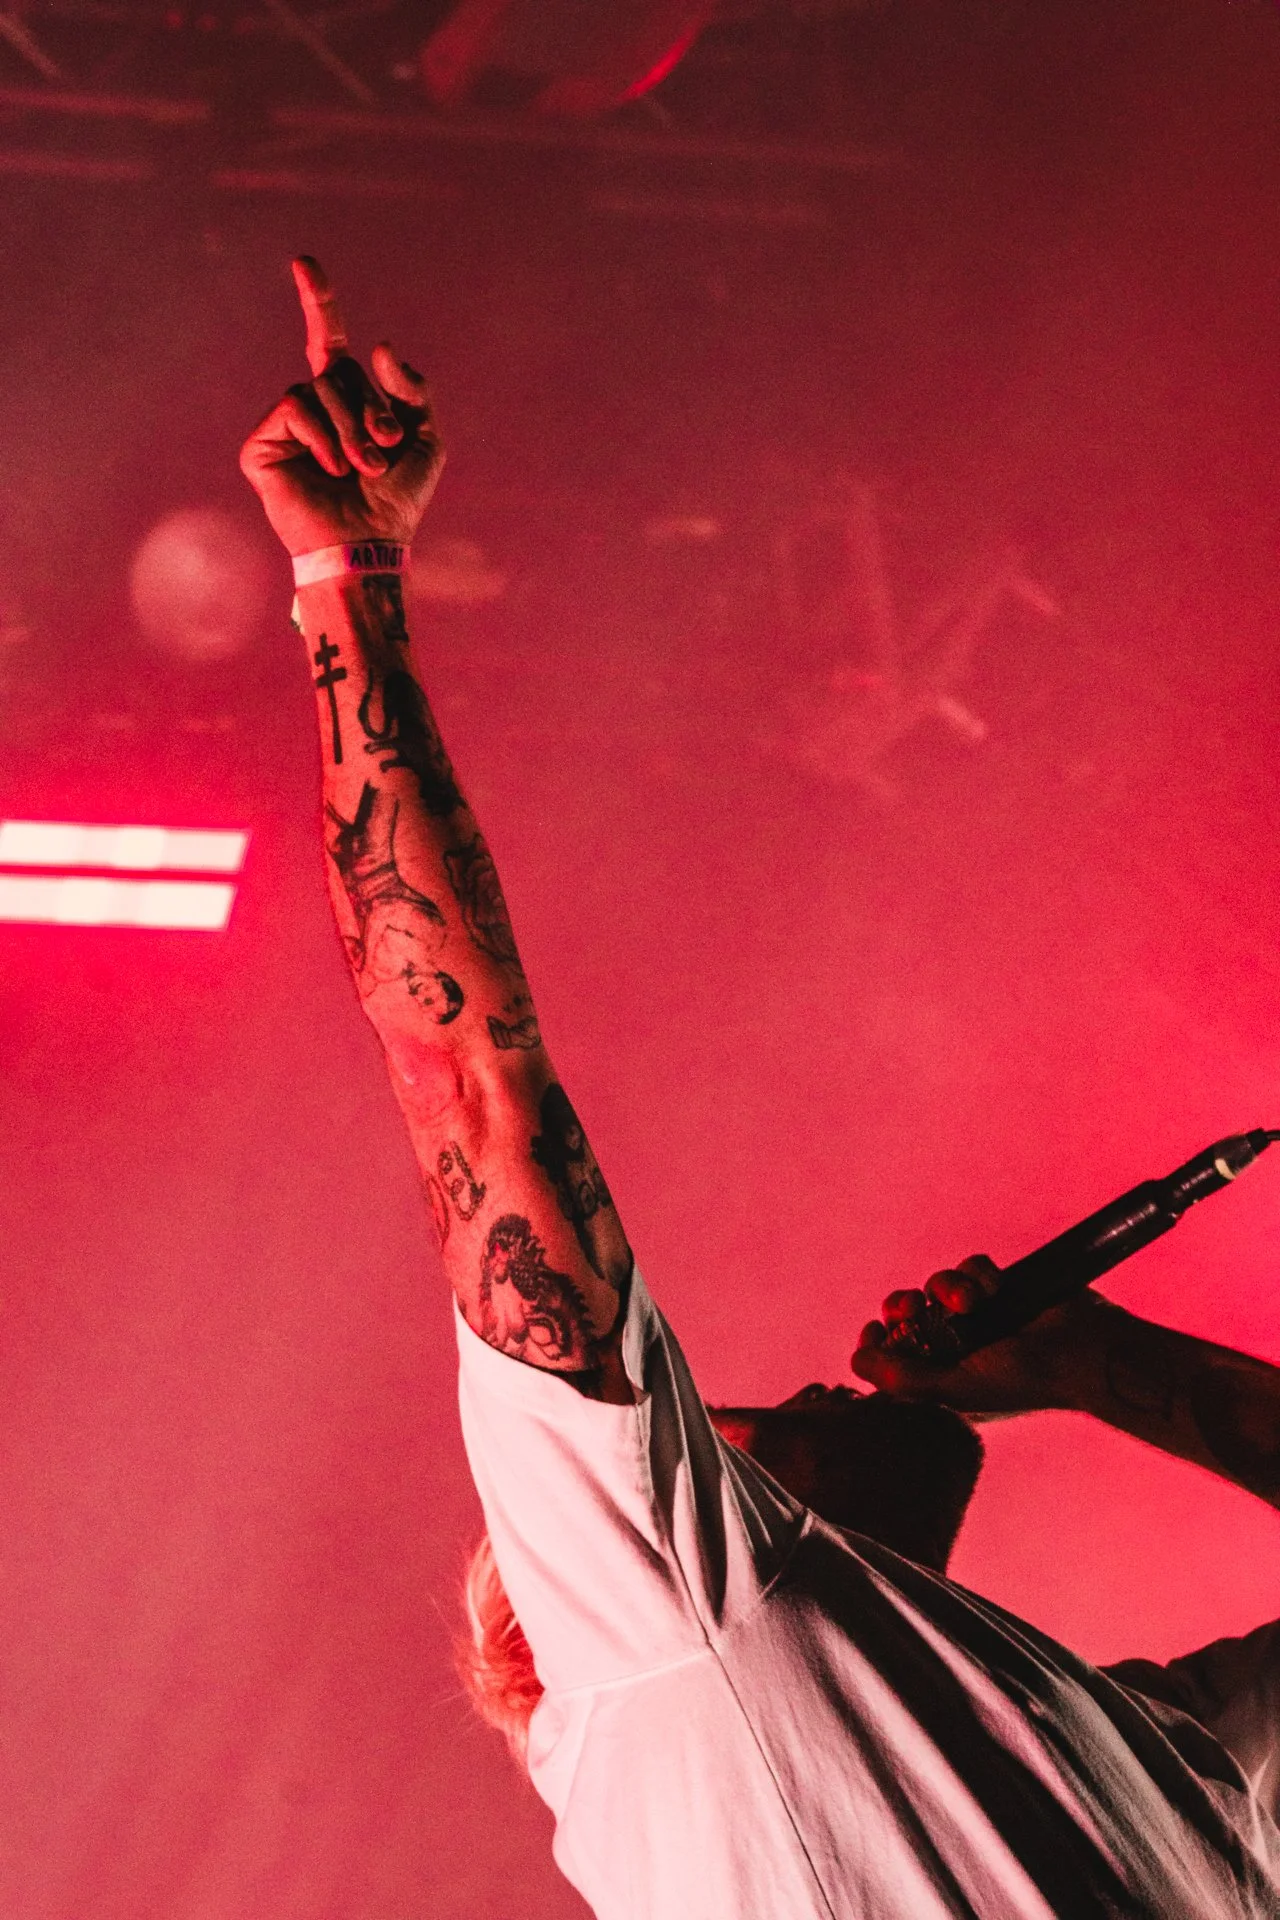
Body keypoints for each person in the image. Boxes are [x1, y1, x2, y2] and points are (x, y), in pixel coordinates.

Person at [240, 258, 1280, 1919]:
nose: (793, 1391)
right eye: (708, 1437)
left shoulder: (1145, 1754)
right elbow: (476, 1081)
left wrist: (1106, 1362)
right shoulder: (667, 1629)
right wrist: (342, 577)